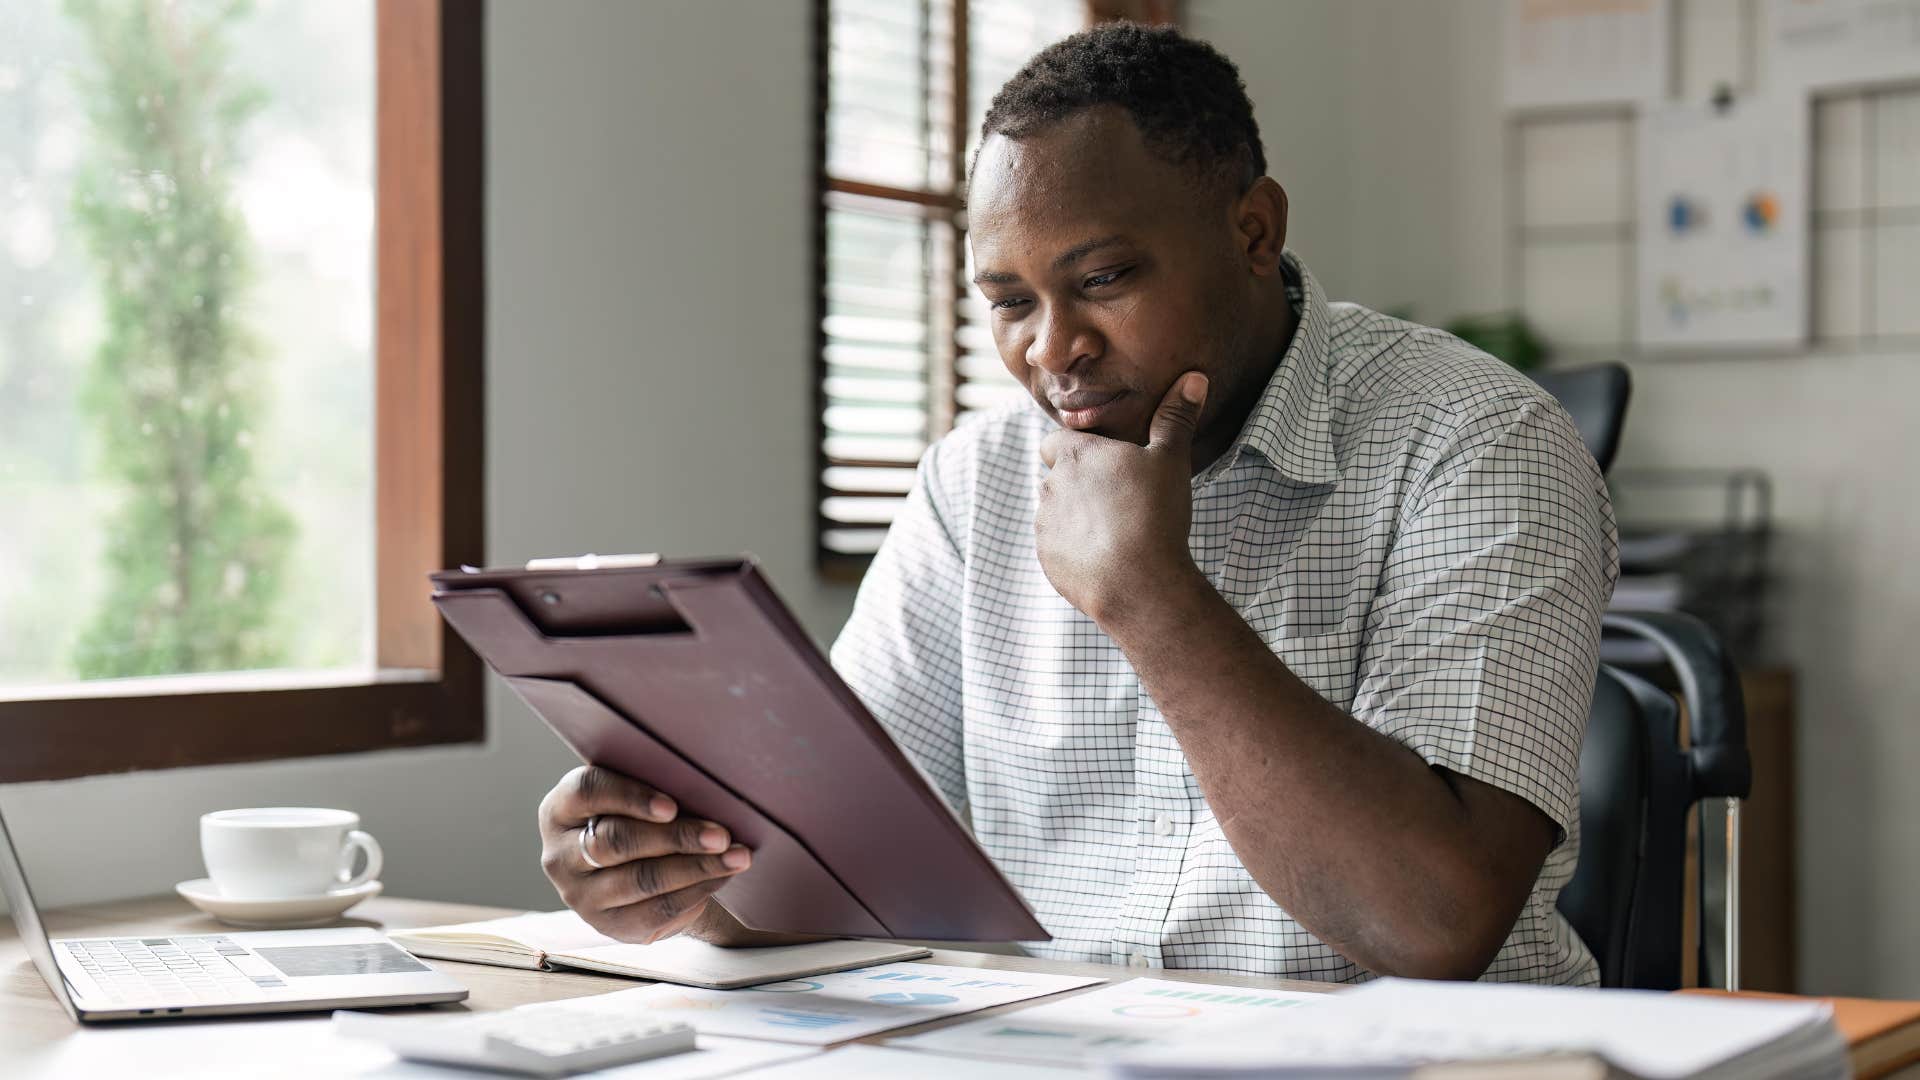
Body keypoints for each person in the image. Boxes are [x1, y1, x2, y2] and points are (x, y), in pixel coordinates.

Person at [536, 23, 1617, 985]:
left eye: (1102, 280)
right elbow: (840, 871)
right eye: (1009, 302)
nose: (1053, 349)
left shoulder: (1479, 441)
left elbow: (1433, 926)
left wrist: (1148, 594)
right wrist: (679, 881)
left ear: (1253, 233)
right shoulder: (975, 483)